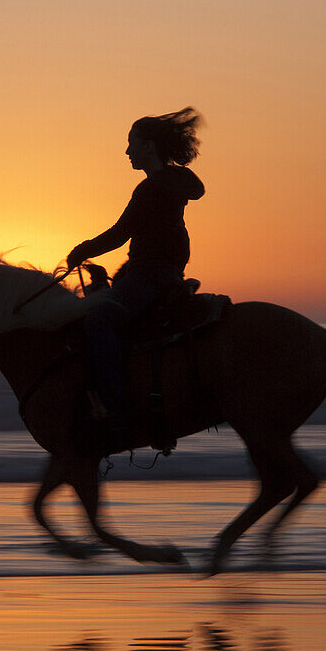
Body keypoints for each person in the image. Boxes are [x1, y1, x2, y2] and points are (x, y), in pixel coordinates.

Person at [66, 107, 205, 441]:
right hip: (157, 274)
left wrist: (80, 251)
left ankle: (115, 408)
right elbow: (195, 188)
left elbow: (120, 233)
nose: (127, 151)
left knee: (97, 323)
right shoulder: (164, 184)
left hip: (149, 277)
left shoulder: (154, 187)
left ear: (149, 146)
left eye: (132, 143)